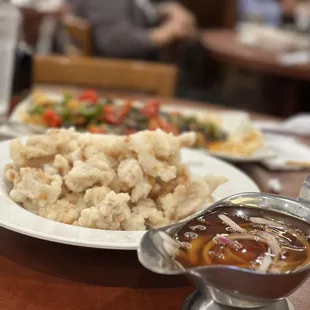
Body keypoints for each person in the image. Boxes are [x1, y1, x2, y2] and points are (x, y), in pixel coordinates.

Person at [65, 0, 198, 60]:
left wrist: (167, 8)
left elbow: (141, 7)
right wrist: (169, 32)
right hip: (126, 81)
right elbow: (116, 41)